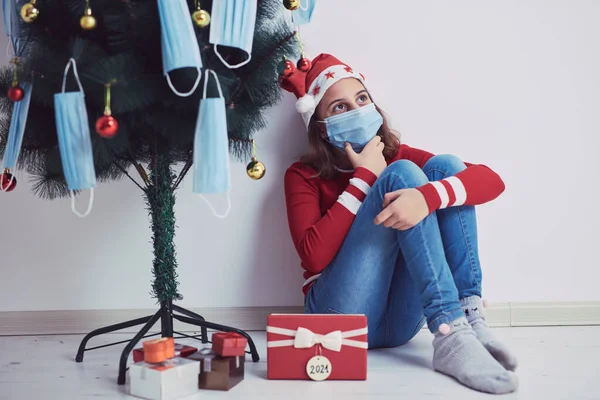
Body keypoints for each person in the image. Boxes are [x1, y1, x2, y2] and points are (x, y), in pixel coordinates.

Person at [281, 53, 519, 394]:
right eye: (339, 107)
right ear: (321, 128)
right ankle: (450, 331)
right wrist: (365, 177)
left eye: (362, 99)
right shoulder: (302, 175)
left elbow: (491, 181)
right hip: (339, 318)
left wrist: (427, 198)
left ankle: (465, 319)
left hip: (402, 323)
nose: (356, 110)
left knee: (444, 166)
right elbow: (313, 257)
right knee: (402, 175)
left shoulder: (399, 153)